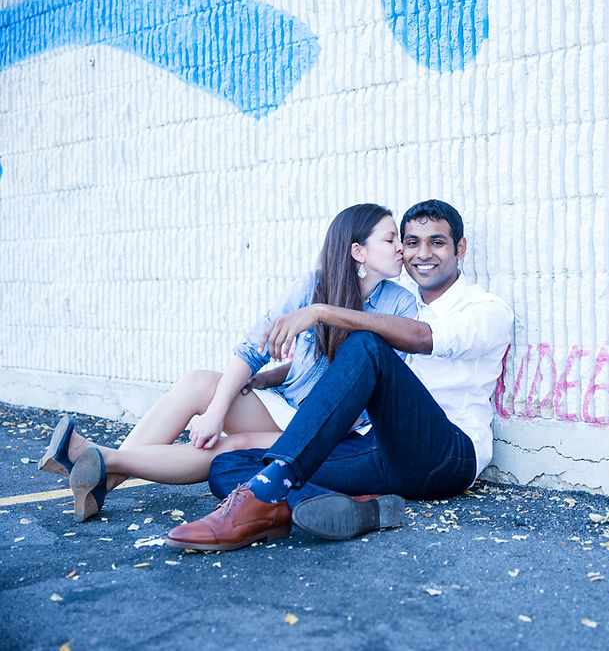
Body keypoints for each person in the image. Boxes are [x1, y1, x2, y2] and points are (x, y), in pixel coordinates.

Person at [165, 199, 514, 550]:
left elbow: (424, 338)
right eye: (411, 242)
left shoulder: (485, 309)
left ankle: (260, 507)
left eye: (437, 242)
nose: (423, 253)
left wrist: (322, 312)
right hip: (379, 450)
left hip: (446, 454)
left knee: (365, 344)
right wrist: (276, 375)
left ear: (460, 248)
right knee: (229, 465)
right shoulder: (402, 303)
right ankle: (357, 509)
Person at [38, 204, 416, 522]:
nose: (402, 248)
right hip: (285, 404)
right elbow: (253, 349)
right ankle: (102, 476)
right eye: (390, 239)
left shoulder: (399, 306)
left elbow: (375, 388)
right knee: (199, 383)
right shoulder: (313, 286)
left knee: (230, 446)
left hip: (328, 427)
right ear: (358, 252)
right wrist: (216, 411)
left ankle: (101, 461)